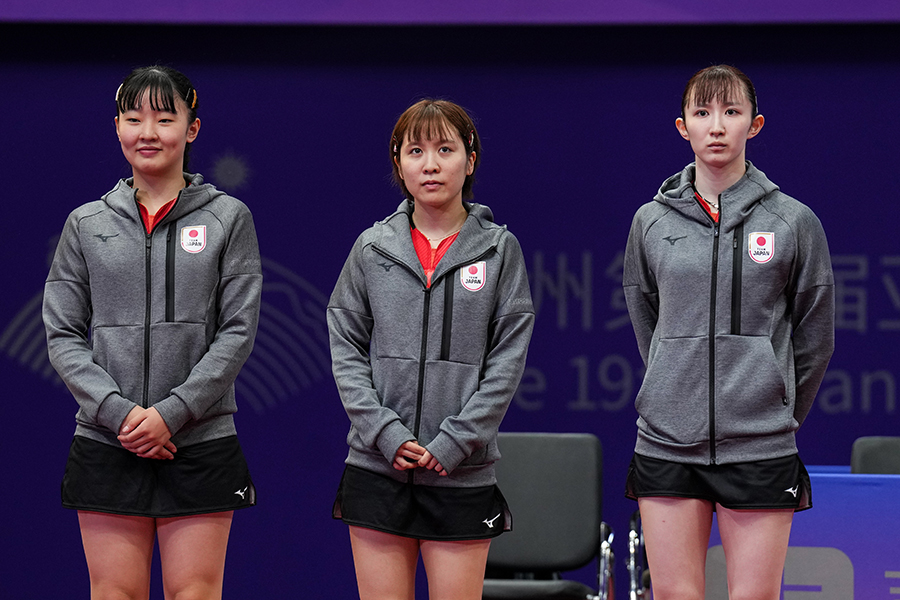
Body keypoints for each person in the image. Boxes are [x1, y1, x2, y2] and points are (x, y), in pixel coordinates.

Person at [43, 65, 261, 600]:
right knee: (114, 592)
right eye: (134, 118)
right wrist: (121, 416)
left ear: (192, 129)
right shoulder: (85, 223)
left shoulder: (228, 218)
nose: (148, 132)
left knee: (195, 592)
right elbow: (63, 335)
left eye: (165, 119)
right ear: (117, 126)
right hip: (106, 438)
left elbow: (236, 332)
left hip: (200, 438)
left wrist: (170, 414)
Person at [622, 65, 834, 600]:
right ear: (682, 127)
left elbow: (815, 334)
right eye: (702, 113)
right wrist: (674, 384)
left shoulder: (793, 221)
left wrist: (775, 406)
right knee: (674, 595)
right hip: (667, 442)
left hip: (759, 443)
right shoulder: (651, 221)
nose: (716, 126)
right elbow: (648, 321)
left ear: (754, 125)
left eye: (731, 112)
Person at [327, 99, 535, 600]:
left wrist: (455, 442)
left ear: (471, 158)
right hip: (377, 467)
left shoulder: (498, 249)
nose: (431, 163)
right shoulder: (372, 248)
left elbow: (507, 361)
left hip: (461, 472)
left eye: (446, 149)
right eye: (416, 150)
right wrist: (385, 434)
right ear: (398, 162)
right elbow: (346, 346)